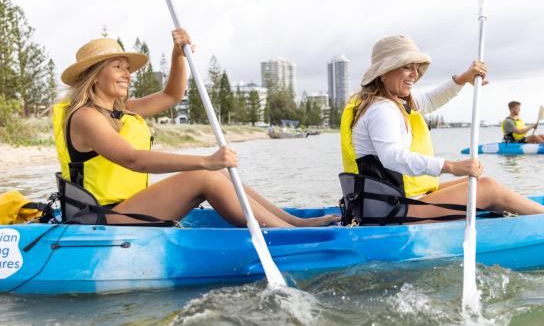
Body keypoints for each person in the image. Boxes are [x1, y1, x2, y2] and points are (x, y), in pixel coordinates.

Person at [53, 29, 338, 228]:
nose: (128, 74)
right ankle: (289, 236)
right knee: (205, 176)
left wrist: (178, 56)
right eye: (118, 67)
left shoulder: (124, 111)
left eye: (127, 68)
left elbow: (171, 96)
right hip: (98, 217)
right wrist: (205, 160)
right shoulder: (85, 117)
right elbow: (133, 159)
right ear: (94, 76)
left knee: (221, 172)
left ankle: (294, 222)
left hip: (124, 206)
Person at [340, 35, 544, 222]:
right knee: (487, 188)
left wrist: (463, 79)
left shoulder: (389, 102)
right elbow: (392, 156)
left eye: (416, 68)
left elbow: (429, 101)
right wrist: (451, 166)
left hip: (386, 201)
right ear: (384, 72)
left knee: (477, 183)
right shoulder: (382, 109)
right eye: (407, 67)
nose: (414, 74)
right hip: (389, 211)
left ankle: (536, 214)